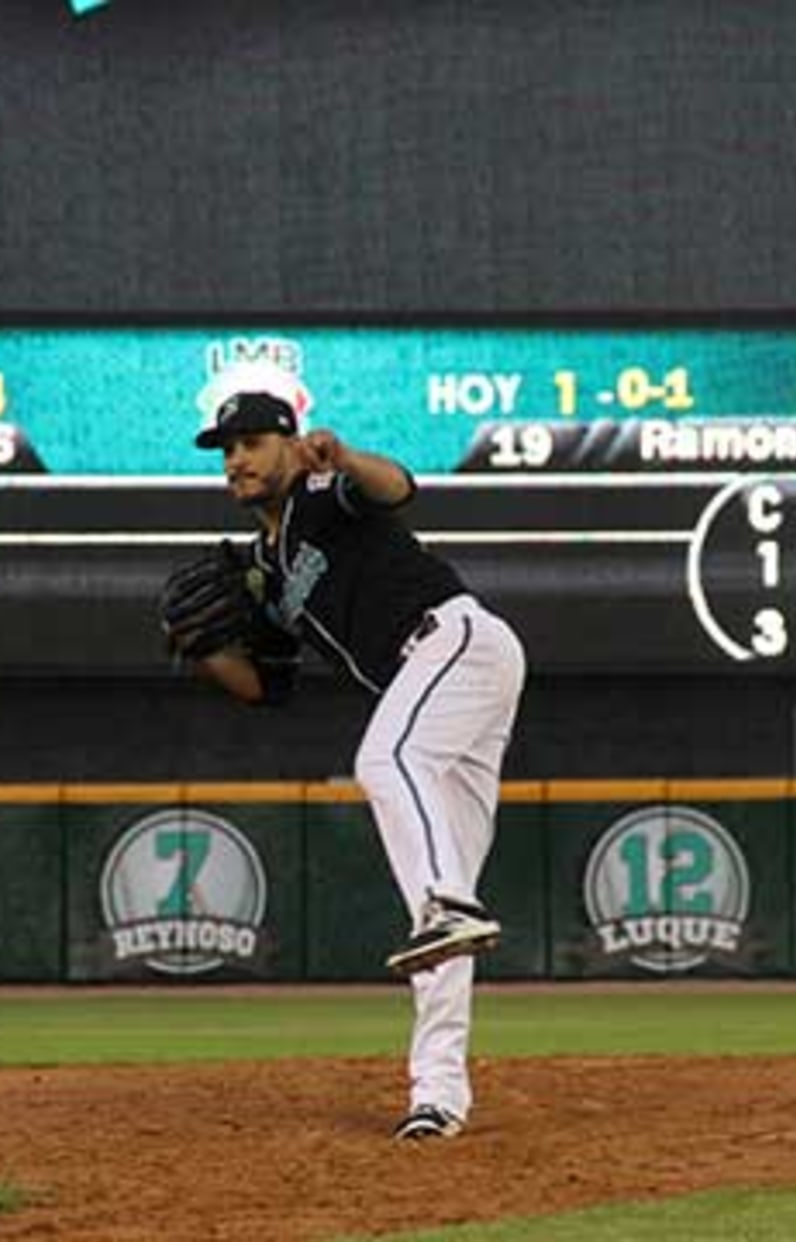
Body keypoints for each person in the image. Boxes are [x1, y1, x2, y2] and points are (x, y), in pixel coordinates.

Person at [178, 364, 526, 1142]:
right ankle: (438, 1096)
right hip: (441, 682)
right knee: (442, 910)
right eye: (226, 448)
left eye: (252, 442)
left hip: (455, 640)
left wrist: (344, 456)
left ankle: (448, 906)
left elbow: (397, 488)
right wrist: (202, 651)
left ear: (290, 443)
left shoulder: (319, 491)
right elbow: (266, 688)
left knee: (385, 763)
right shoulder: (265, 573)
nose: (236, 459)